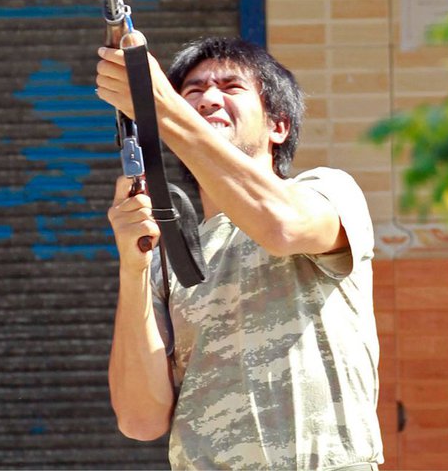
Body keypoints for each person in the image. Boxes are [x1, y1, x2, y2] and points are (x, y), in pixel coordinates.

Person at [96, 35, 382, 470]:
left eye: (231, 87)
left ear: (278, 126)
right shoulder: (166, 257)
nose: (209, 98)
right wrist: (133, 265)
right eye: (192, 91)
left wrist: (162, 106)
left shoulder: (326, 193)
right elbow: (141, 419)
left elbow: (280, 226)